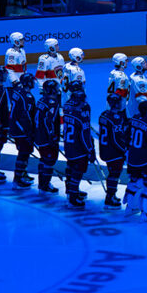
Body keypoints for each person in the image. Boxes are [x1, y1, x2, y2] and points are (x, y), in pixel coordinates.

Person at [62, 81, 95, 209]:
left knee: (70, 166)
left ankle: (70, 190)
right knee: (78, 170)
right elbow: (84, 134)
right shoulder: (83, 109)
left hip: (68, 143)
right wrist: (90, 150)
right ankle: (73, 196)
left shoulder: (67, 105)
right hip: (78, 147)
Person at [99, 93, 130, 209]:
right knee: (114, 174)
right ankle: (110, 197)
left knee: (113, 173)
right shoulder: (116, 118)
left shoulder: (104, 115)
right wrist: (124, 150)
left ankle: (111, 195)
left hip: (105, 149)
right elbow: (116, 138)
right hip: (114, 152)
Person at [8, 71, 37, 188]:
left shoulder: (18, 92)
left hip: (15, 126)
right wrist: (29, 132)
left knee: (24, 152)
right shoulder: (28, 97)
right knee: (24, 153)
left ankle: (22, 173)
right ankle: (18, 177)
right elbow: (26, 116)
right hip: (21, 129)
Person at [34, 80, 62, 194]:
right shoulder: (52, 103)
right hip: (46, 137)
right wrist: (52, 136)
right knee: (50, 160)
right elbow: (49, 121)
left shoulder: (41, 100)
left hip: (39, 134)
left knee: (43, 159)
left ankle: (42, 183)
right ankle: (45, 185)